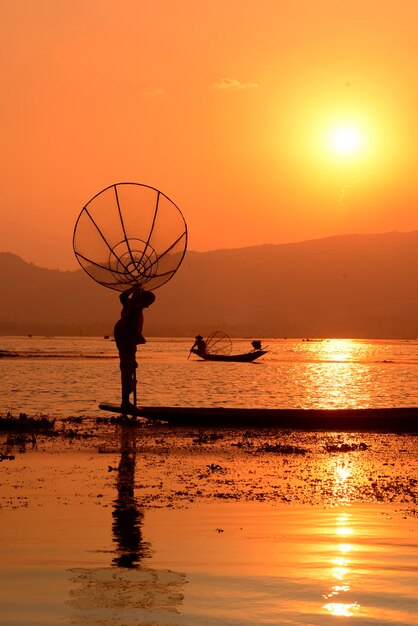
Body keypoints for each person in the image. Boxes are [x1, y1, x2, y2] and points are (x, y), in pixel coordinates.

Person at [113, 285, 156, 411]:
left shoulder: (137, 307)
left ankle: (126, 401)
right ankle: (125, 402)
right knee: (127, 369)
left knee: (130, 368)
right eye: (146, 303)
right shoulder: (131, 305)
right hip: (125, 339)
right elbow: (122, 296)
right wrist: (133, 289)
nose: (147, 306)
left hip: (130, 341)